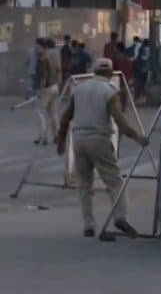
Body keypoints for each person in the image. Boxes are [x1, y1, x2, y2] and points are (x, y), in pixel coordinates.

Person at [57, 58, 149, 240]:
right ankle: (120, 217)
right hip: (99, 139)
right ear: (110, 73)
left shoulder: (79, 89)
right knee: (114, 181)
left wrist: (60, 140)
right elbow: (120, 121)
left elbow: (65, 118)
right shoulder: (109, 91)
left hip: (79, 139)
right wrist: (138, 137)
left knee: (84, 185)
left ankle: (89, 225)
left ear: (93, 72)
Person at [34, 39, 59, 145]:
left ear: (43, 48)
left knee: (40, 112)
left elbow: (43, 77)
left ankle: (43, 137)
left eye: (38, 48)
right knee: (53, 113)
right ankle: (57, 135)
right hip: (54, 86)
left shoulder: (42, 59)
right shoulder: (52, 56)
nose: (36, 49)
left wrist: (40, 90)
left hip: (46, 88)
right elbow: (57, 69)